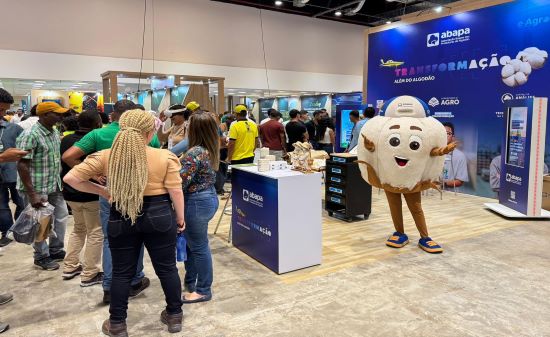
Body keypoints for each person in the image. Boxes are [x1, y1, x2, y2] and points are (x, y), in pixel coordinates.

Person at [64, 109, 185, 335]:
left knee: (121, 273)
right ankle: (174, 316)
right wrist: (180, 218)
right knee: (167, 269)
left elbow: (71, 178)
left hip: (122, 214)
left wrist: (104, 191)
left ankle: (117, 324)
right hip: (159, 215)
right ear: (150, 132)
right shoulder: (165, 156)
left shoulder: (106, 155)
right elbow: (175, 191)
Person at [62, 99, 158, 304]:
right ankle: (135, 280)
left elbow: (69, 156)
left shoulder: (99, 134)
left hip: (110, 194)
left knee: (109, 239)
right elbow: (156, 156)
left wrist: (95, 177)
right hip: (140, 194)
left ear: (114, 114)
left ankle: (108, 286)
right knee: (137, 239)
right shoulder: (147, 133)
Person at [16, 102, 70, 271]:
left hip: (54, 184)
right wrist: (32, 194)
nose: (61, 117)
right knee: (41, 223)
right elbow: (22, 165)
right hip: (36, 188)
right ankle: (41, 256)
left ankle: (56, 249)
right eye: (57, 114)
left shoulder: (54, 132)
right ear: (44, 115)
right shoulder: (30, 135)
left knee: (61, 216)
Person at [179, 111, 220, 303]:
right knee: (193, 244)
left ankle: (203, 289)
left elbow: (179, 181)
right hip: (207, 198)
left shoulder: (194, 152)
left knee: (198, 246)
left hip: (196, 201)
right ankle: (191, 280)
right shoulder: (210, 148)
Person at [60, 111, 104, 286]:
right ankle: (90, 273)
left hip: (70, 192)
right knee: (95, 231)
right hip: (90, 192)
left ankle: (70, 266)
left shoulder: (65, 140)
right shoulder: (93, 141)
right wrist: (94, 177)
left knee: (78, 229)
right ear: (97, 123)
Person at [0, 89, 25, 247]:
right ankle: (6, 231)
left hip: (15, 174)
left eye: (4, 110)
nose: (2, 113)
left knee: (22, 203)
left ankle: (18, 229)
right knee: (1, 206)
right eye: (0, 109)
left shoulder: (13, 128)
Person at [442, 122, 469, 188]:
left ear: (453, 137)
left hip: (450, 194)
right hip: (432, 194)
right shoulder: (433, 154)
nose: (445, 136)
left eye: (448, 133)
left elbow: (460, 181)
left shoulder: (460, 156)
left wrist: (443, 184)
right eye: (442, 133)